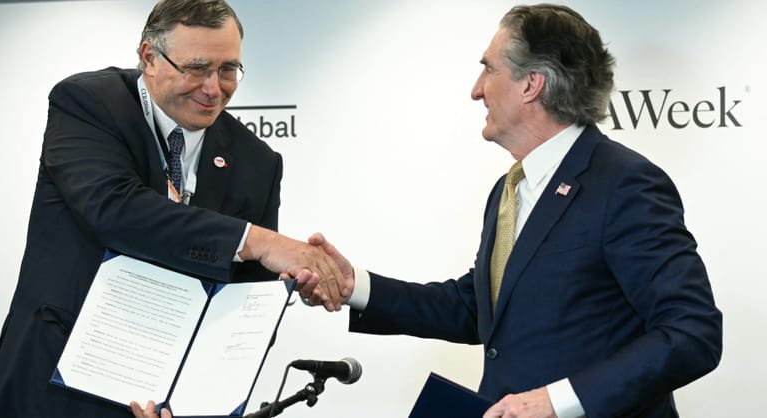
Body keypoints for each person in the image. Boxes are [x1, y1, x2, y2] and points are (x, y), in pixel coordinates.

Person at [304, 4, 723, 418]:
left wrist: (558, 402)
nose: (476, 89)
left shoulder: (623, 183)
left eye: (489, 69)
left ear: (531, 85)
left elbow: (692, 331)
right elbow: (476, 308)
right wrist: (353, 285)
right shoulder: (508, 190)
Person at [0, 1, 350, 418]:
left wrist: (292, 284)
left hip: (170, 402)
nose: (213, 87)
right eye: (196, 68)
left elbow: (246, 298)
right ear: (149, 57)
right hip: (53, 388)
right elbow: (115, 209)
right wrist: (256, 240)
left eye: (228, 70)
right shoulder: (87, 104)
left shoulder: (258, 161)